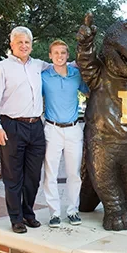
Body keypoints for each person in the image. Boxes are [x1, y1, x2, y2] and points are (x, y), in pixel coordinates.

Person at [0, 26, 49, 234]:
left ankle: (28, 213)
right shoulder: (0, 68)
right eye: (19, 42)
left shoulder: (39, 65)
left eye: (27, 42)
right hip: (11, 126)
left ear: (32, 44)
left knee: (33, 176)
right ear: (11, 45)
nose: (23, 45)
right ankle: (16, 218)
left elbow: (62, 65)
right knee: (13, 177)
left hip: (36, 126)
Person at [42, 40, 89, 228]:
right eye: (56, 53)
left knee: (74, 173)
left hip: (73, 129)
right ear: (50, 55)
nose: (59, 56)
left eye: (63, 52)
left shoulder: (76, 75)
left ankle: (72, 210)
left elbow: (89, 92)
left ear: (67, 55)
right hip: (51, 129)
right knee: (50, 174)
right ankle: (54, 213)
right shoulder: (43, 76)